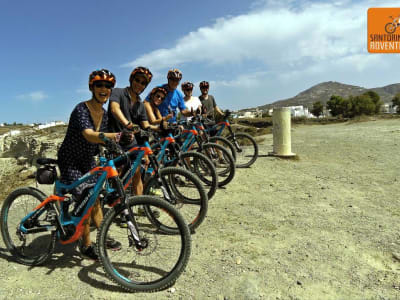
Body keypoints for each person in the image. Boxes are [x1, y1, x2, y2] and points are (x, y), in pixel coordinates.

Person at [57, 69, 130, 260]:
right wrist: (118, 135)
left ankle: (102, 234)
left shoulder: (104, 114)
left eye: (108, 86)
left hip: (88, 159)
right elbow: (89, 135)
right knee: (86, 197)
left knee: (95, 195)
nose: (104, 89)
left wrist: (116, 149)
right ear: (92, 87)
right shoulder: (81, 108)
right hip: (70, 160)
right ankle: (86, 244)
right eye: (99, 85)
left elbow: (101, 140)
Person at [107, 66, 156, 198]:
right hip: (114, 139)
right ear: (131, 79)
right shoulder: (118, 92)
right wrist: (128, 124)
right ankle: (118, 200)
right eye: (137, 80)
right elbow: (114, 109)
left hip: (130, 141)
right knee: (118, 173)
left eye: (143, 83)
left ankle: (139, 203)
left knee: (137, 170)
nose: (139, 84)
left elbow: (145, 124)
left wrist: (161, 126)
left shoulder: (140, 104)